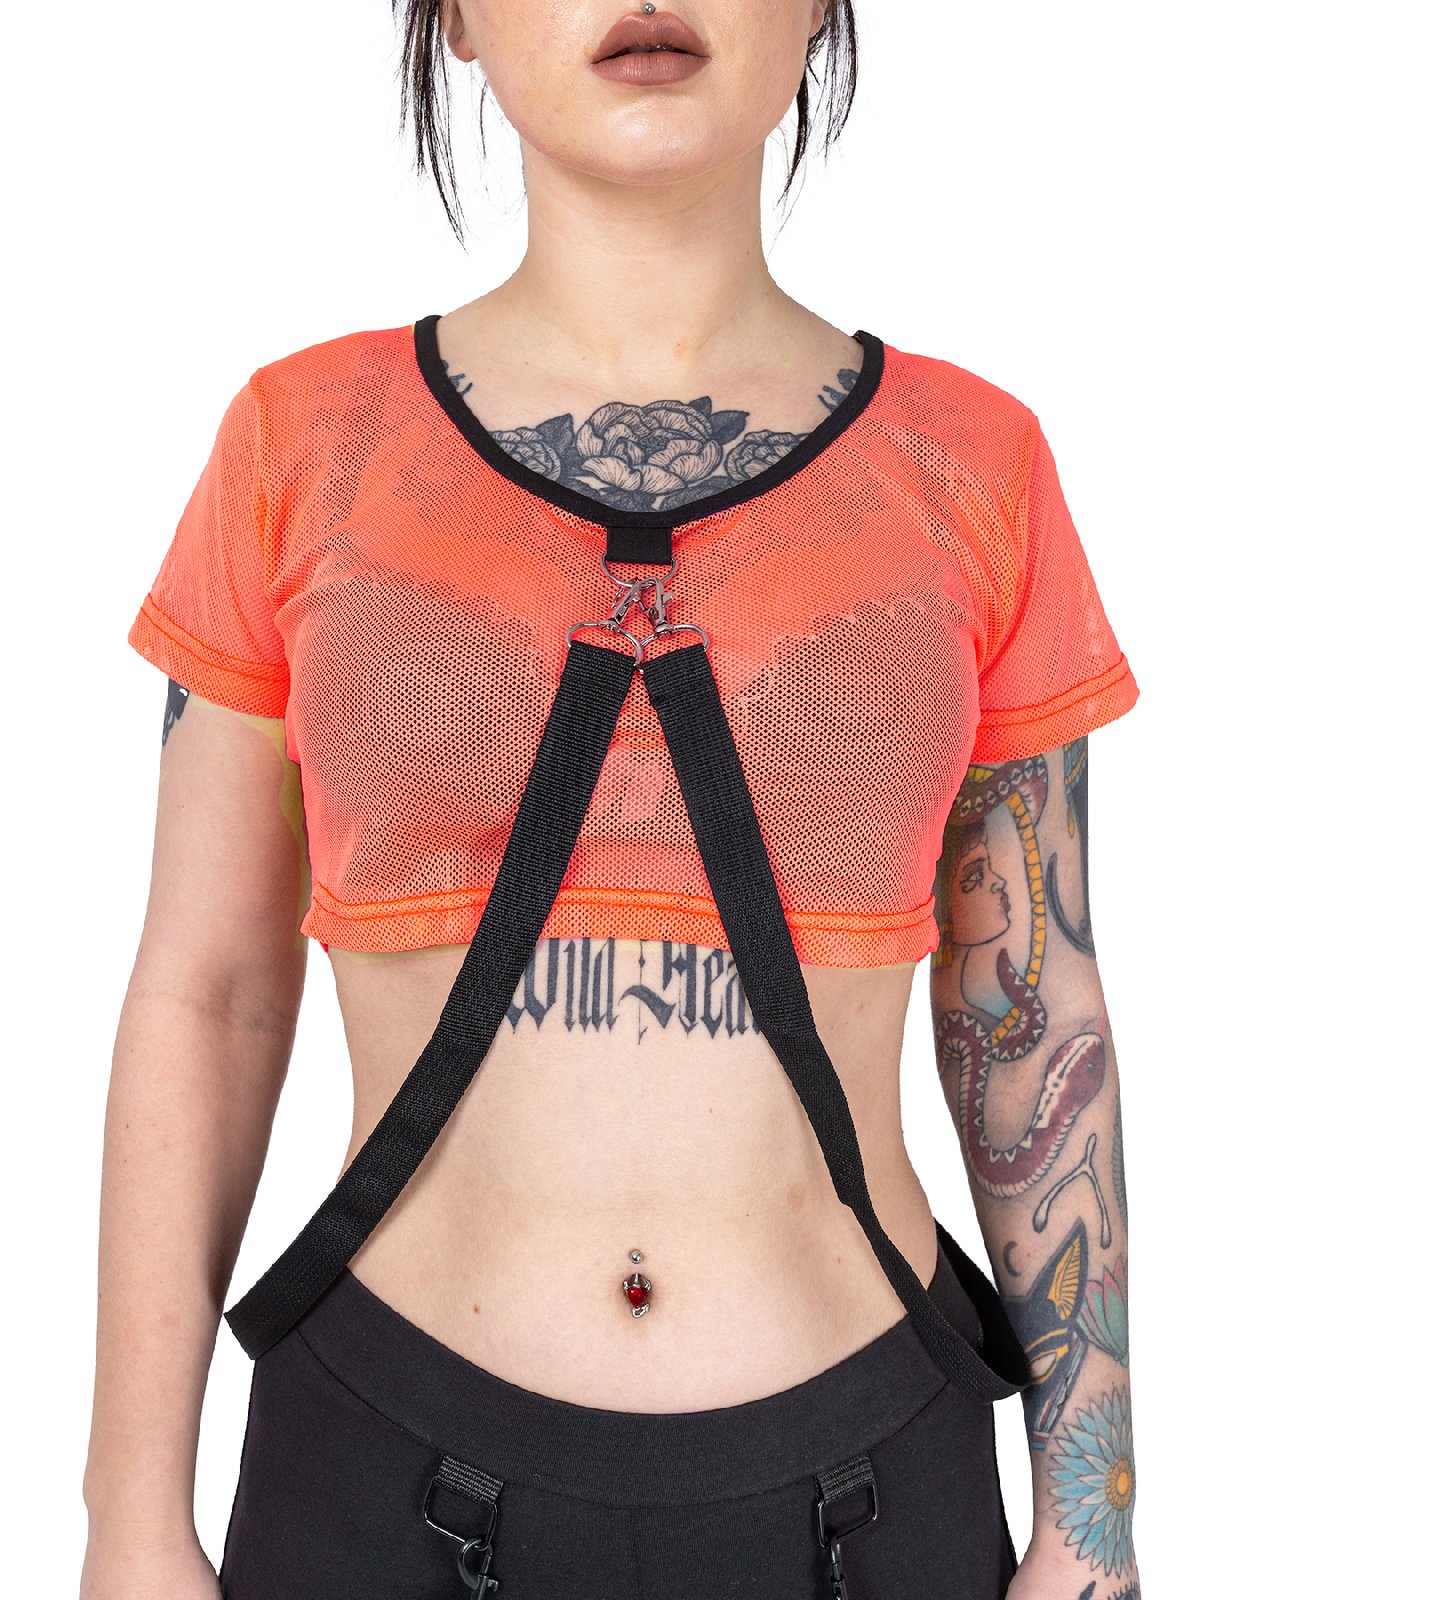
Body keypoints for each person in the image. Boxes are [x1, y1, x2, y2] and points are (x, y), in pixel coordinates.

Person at [81, 4, 1145, 1598]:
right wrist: (130, 1520)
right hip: (377, 1478)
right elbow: (209, 991)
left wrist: (1094, 1527)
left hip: (865, 1494)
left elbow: (1032, 1008)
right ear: (453, 19)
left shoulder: (972, 465)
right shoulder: (302, 448)